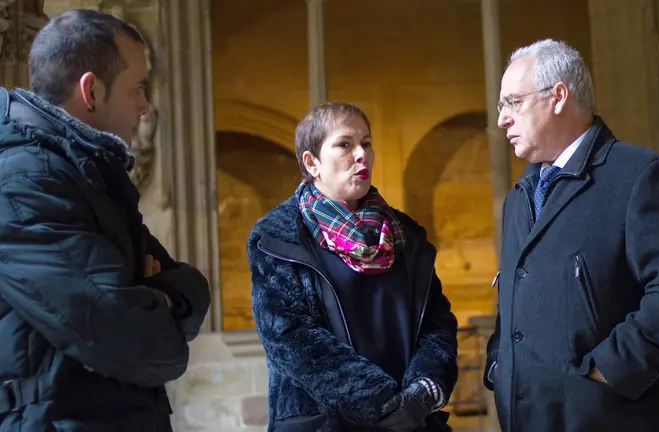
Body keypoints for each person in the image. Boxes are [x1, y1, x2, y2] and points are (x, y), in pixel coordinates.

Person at [484, 39, 659, 432]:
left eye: (513, 102)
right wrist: (498, 365)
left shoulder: (641, 175)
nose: (502, 118)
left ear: (558, 96)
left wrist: (609, 370)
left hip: (609, 418)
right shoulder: (518, 199)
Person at [0, 9, 210, 431]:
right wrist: (151, 302)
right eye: (137, 88)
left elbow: (193, 284)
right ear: (91, 90)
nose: (145, 106)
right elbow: (139, 344)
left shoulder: (86, 175)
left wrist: (160, 297)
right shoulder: (24, 182)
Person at [248, 102, 458, 431]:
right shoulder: (278, 237)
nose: (361, 154)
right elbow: (290, 338)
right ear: (311, 162)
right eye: (345, 144)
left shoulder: (406, 236)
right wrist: (382, 404)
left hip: (412, 421)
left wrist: (421, 394)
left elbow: (436, 324)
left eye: (367, 143)